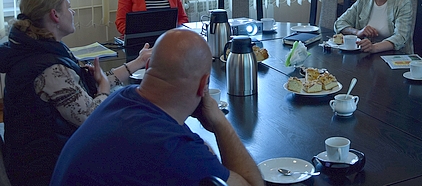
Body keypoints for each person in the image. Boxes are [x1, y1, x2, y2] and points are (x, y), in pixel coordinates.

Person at [50, 28, 264, 186]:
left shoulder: (123, 97)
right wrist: (219, 122)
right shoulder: (172, 149)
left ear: (148, 66)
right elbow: (253, 183)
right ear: (203, 85)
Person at [0, 0, 152, 186]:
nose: (72, 12)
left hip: (43, 159)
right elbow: (91, 118)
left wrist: (139, 62)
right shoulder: (50, 67)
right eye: (69, 7)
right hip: (46, 172)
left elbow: (93, 84)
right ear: (55, 15)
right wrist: (104, 90)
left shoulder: (38, 49)